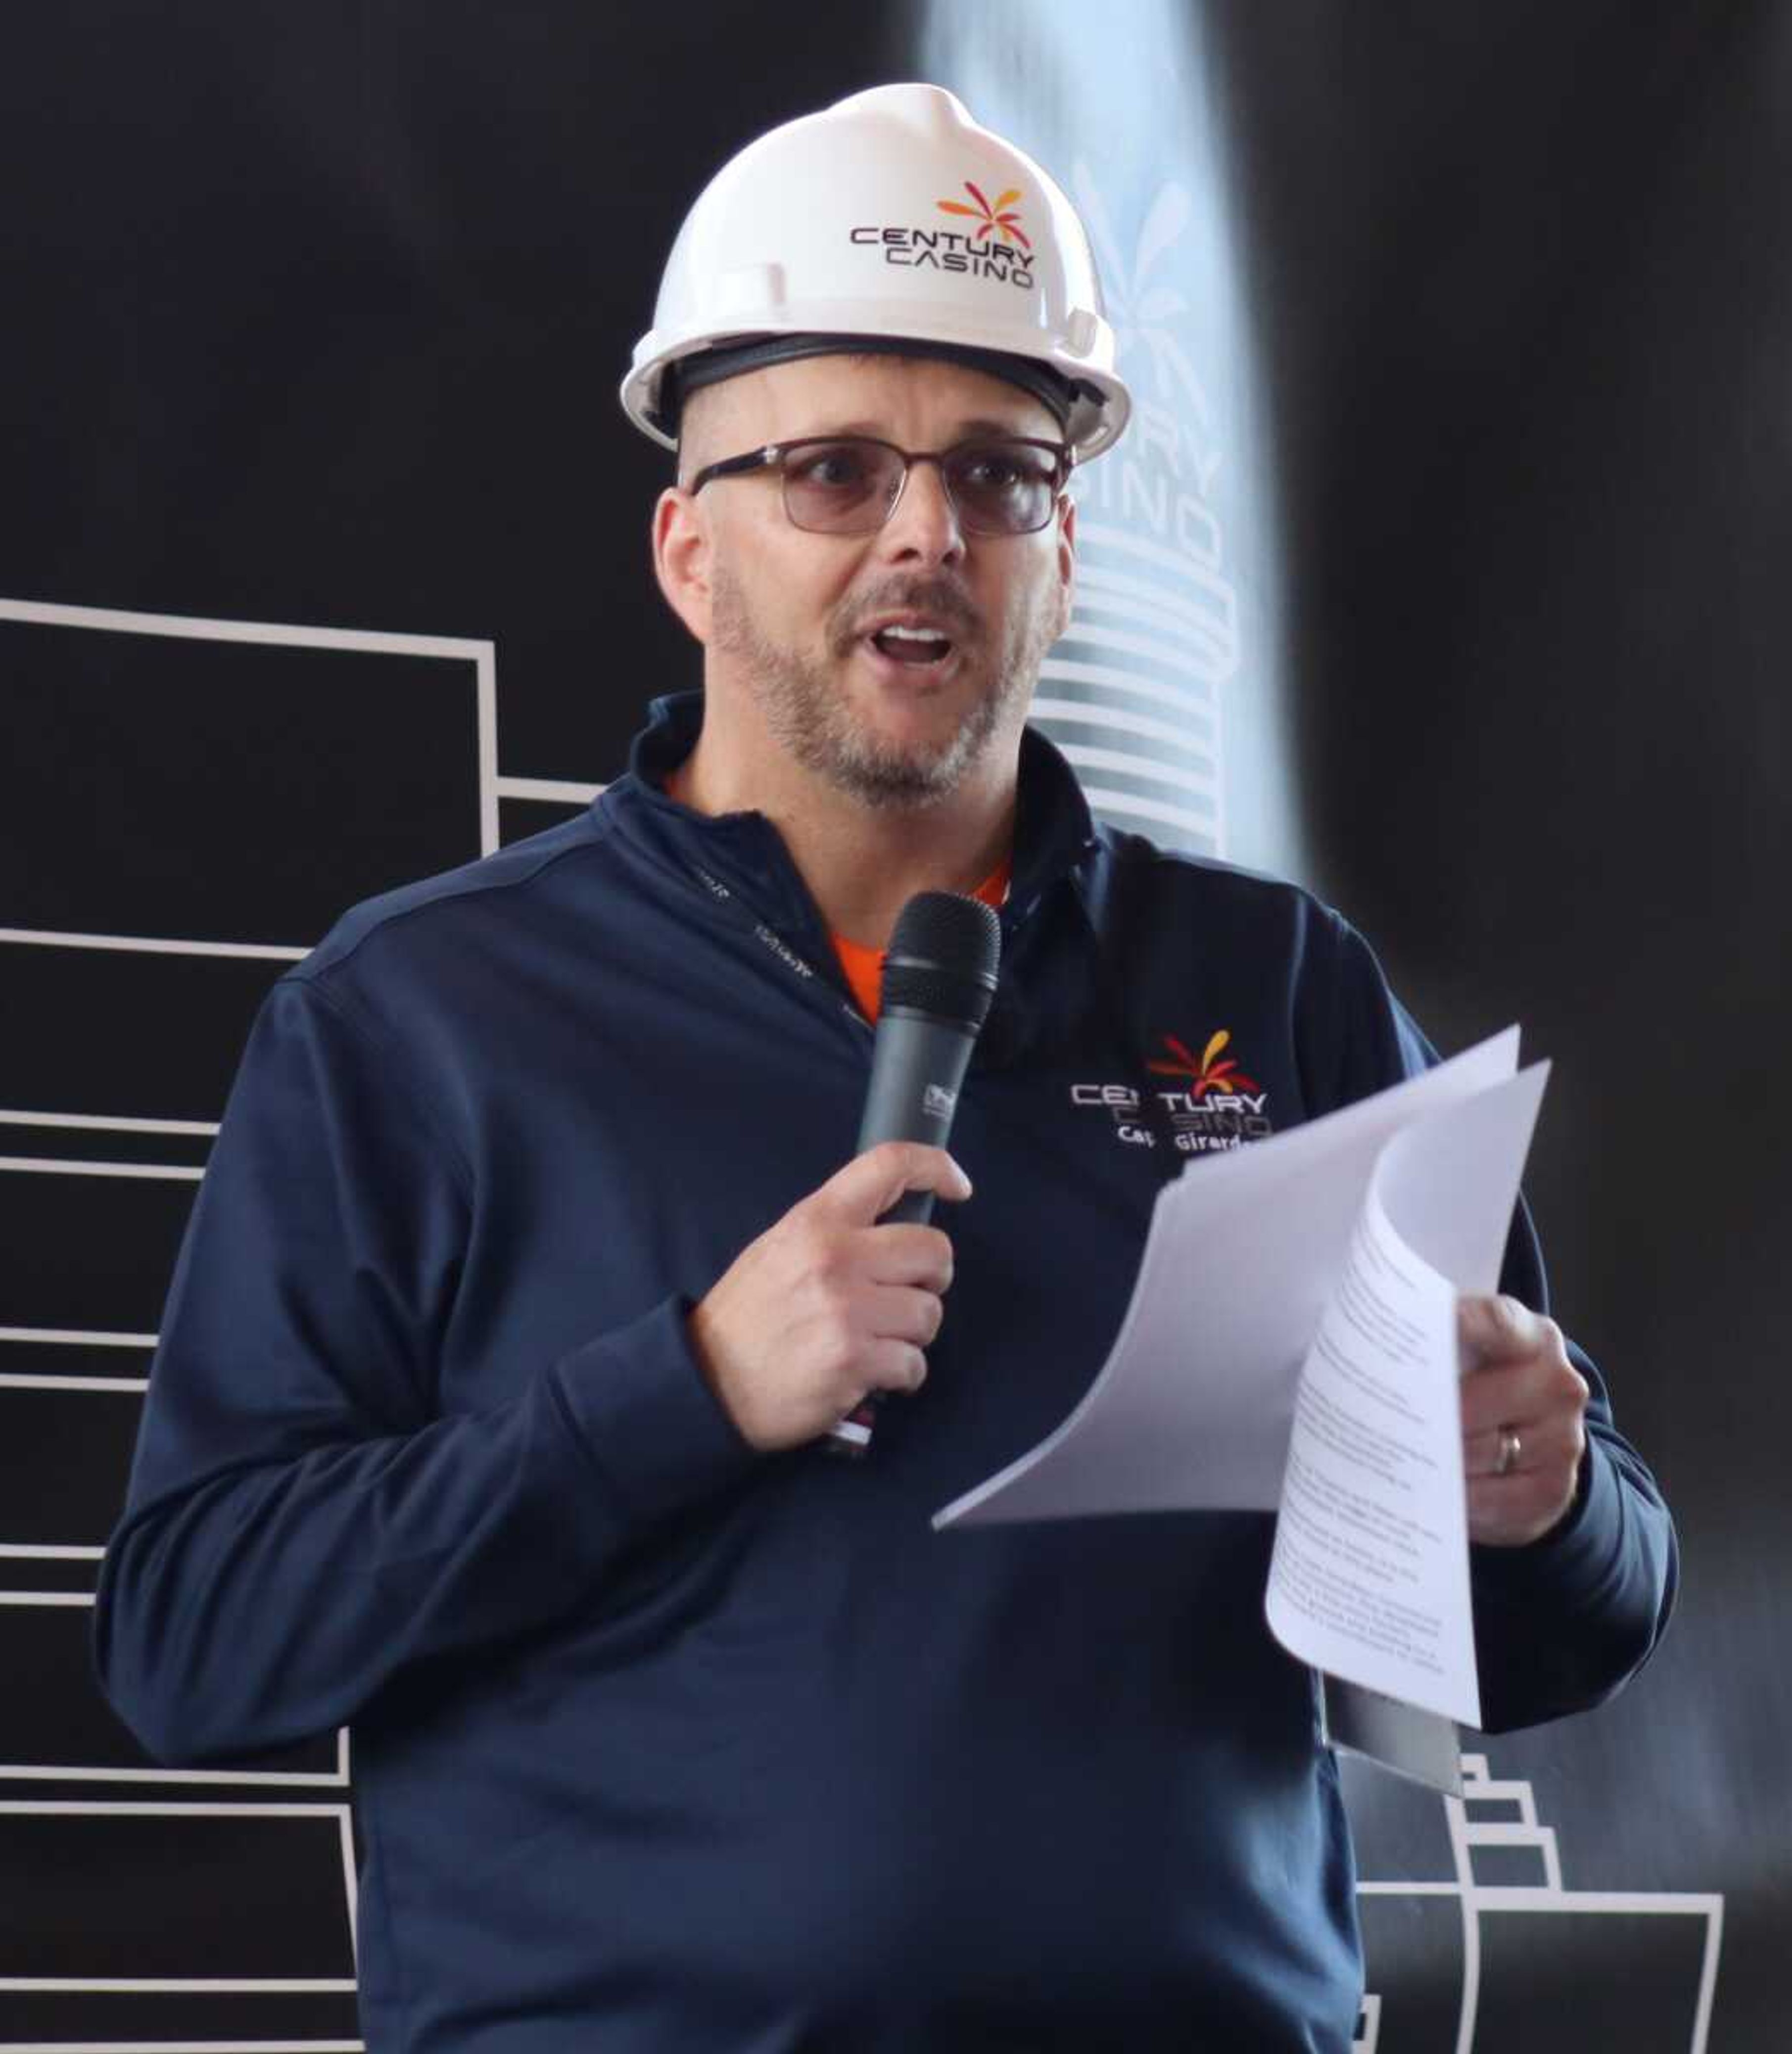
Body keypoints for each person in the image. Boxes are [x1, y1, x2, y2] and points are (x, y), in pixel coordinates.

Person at [94, 84, 1676, 2053]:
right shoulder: (421, 1017)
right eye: (836, 470)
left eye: (999, 474)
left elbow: (1562, 1628)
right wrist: (684, 1389)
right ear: (690, 547)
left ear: (1064, 552)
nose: (926, 530)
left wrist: (1544, 1504)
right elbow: (196, 1636)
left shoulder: (1276, 991)